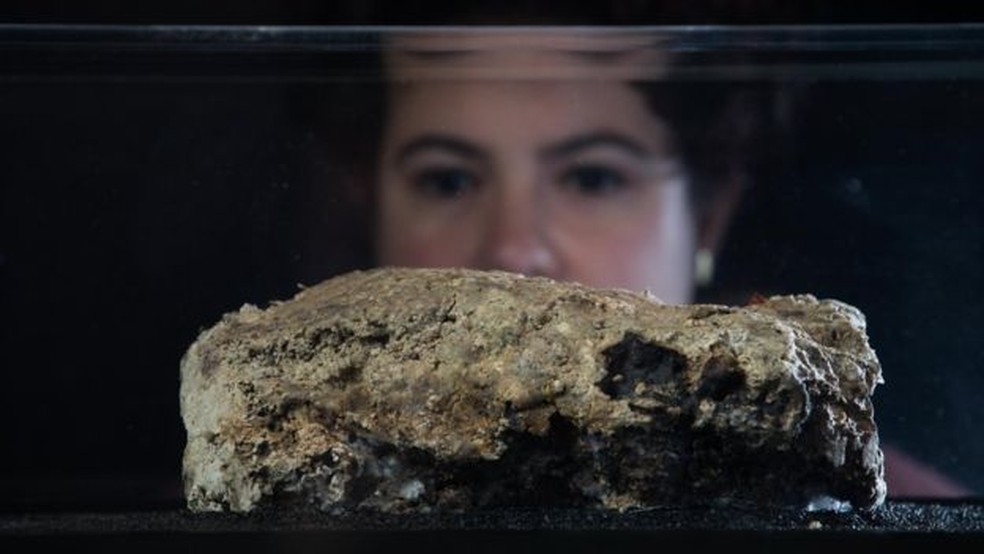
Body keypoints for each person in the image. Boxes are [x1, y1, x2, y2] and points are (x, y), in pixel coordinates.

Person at [318, 28, 972, 499]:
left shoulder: (879, 505)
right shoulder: (301, 496)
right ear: (368, 199)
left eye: (593, 178)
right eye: (449, 181)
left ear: (709, 212)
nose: (515, 249)